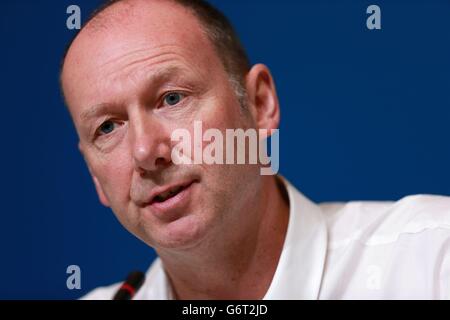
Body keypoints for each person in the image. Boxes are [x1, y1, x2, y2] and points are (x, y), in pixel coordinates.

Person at [60, 0, 450, 299]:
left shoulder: (433, 260)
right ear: (95, 174)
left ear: (259, 104)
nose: (145, 150)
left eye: (172, 98)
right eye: (108, 127)